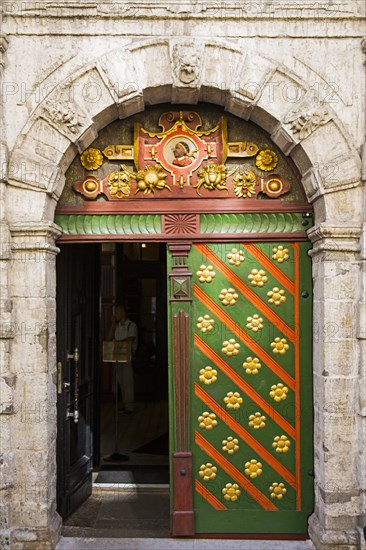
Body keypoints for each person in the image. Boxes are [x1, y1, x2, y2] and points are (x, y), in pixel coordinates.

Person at [108, 304, 138, 414]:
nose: (115, 314)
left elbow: (130, 339)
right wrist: (112, 324)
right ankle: (124, 404)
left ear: (123, 313)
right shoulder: (116, 326)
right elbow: (108, 338)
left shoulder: (131, 325)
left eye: (117, 312)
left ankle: (129, 406)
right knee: (120, 381)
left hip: (127, 358)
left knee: (128, 382)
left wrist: (117, 343)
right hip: (117, 357)